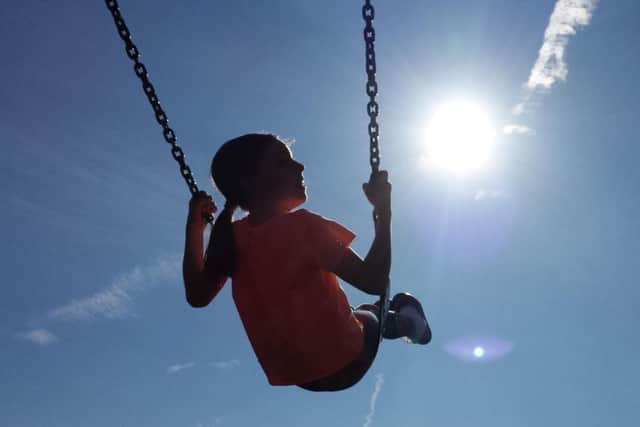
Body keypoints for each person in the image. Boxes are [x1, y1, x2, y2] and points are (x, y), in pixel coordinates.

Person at [182, 133, 431, 392]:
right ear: (250, 182)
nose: (299, 167)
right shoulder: (304, 227)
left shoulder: (230, 240)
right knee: (371, 314)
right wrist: (383, 212)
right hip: (349, 357)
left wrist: (194, 225)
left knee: (360, 310)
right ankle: (410, 324)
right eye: (282, 162)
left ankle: (383, 311)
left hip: (301, 378)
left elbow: (197, 296)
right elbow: (373, 279)